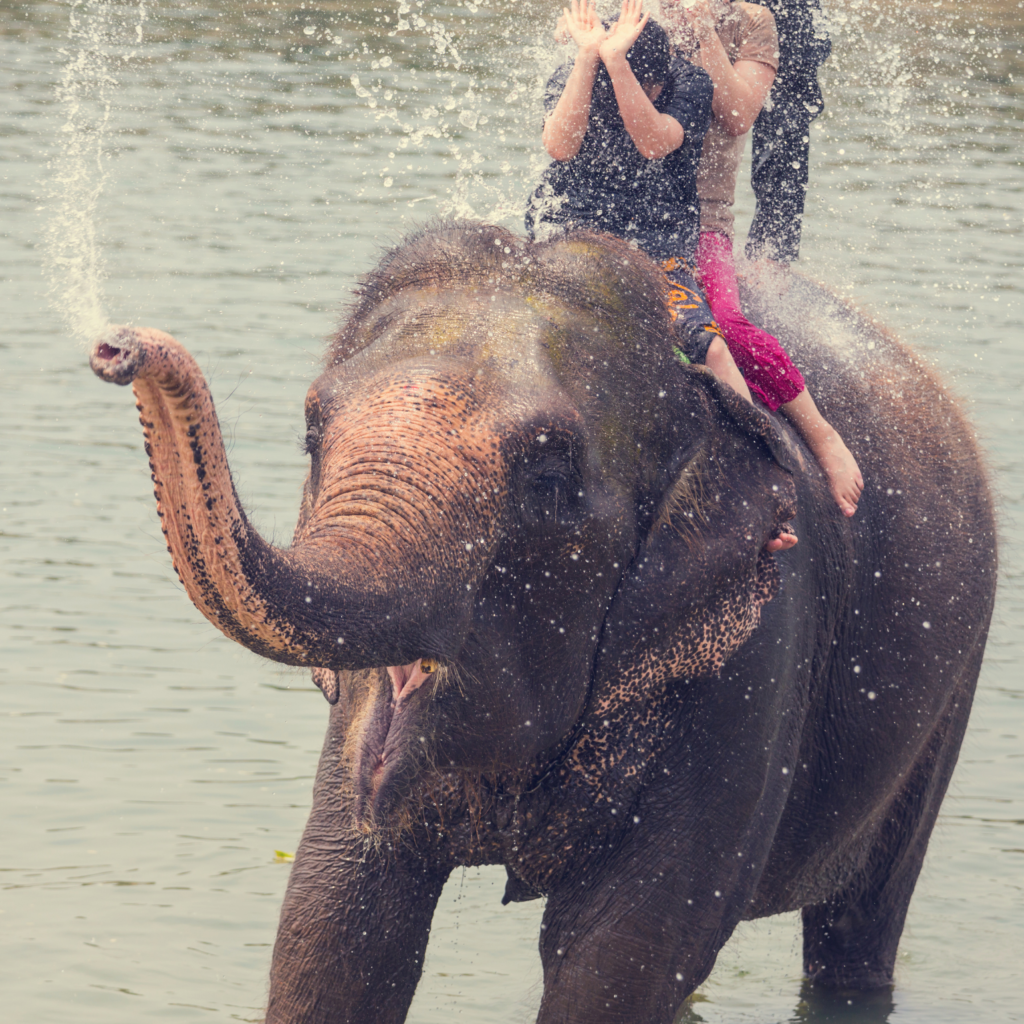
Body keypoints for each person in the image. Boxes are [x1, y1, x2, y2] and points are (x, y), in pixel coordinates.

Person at [661, 0, 863, 517]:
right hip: (634, 214)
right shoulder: (639, 11)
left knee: (724, 322)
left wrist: (703, 31)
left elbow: (736, 115)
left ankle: (820, 436)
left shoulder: (753, 23)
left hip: (703, 218)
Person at [528, 0, 755, 406]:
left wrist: (618, 65)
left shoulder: (690, 83)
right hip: (570, 231)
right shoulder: (577, 74)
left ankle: (759, 446)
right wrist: (588, 57)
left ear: (661, 79)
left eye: (643, 86)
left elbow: (653, 143)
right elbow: (560, 147)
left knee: (714, 349)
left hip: (655, 245)